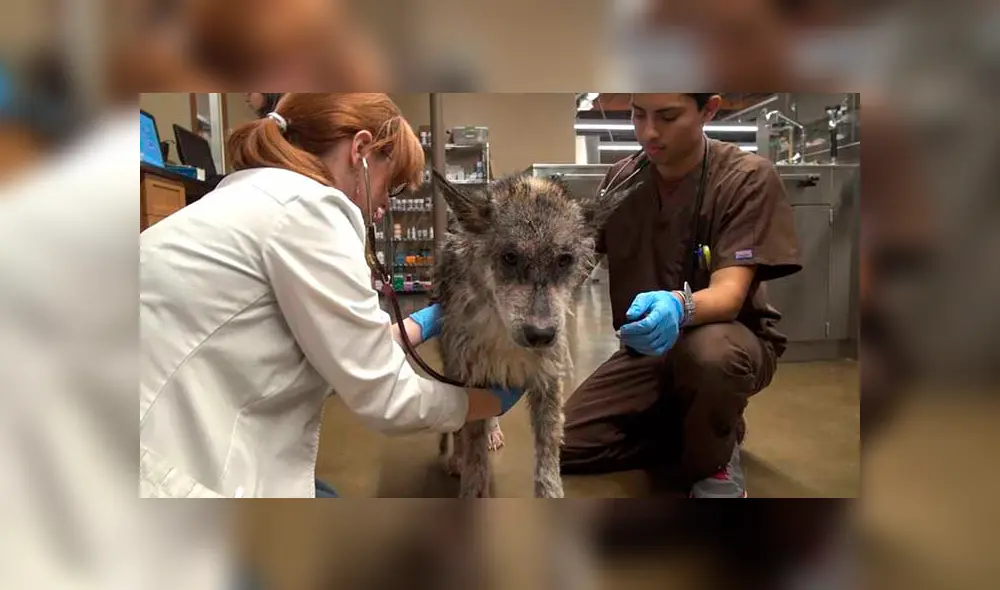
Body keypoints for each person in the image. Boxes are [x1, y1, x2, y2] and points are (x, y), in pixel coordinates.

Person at [140, 93, 524, 498]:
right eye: (389, 186)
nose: (382, 209)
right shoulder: (310, 211)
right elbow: (386, 398)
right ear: (359, 151)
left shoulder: (256, 194)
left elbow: (340, 351)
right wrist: (486, 404)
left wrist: (417, 324)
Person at [560, 93, 801, 498]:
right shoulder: (621, 179)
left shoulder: (746, 178)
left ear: (709, 109)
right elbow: (577, 265)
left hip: (728, 344)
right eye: (638, 115)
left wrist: (678, 305)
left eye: (668, 117)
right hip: (647, 354)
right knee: (561, 444)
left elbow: (727, 296)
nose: (648, 132)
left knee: (708, 355)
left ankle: (714, 461)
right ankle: (704, 428)